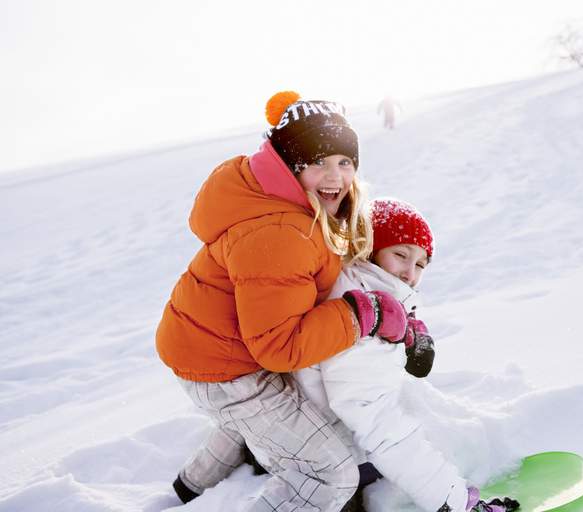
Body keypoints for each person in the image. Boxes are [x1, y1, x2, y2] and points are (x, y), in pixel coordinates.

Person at [171, 197, 520, 512]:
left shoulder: (339, 281)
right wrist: (455, 502)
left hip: (280, 418)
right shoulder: (370, 323)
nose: (410, 274)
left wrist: (411, 329)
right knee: (347, 486)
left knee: (251, 416)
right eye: (400, 255)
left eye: (421, 264)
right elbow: (381, 428)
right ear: (369, 248)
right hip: (317, 451)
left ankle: (191, 484)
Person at [156, 91, 414, 512]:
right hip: (226, 370)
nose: (335, 177)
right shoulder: (281, 233)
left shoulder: (283, 202)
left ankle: (191, 486)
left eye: (344, 162)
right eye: (318, 162)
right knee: (333, 470)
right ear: (288, 166)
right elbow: (279, 347)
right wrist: (363, 313)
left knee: (261, 416)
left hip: (212, 348)